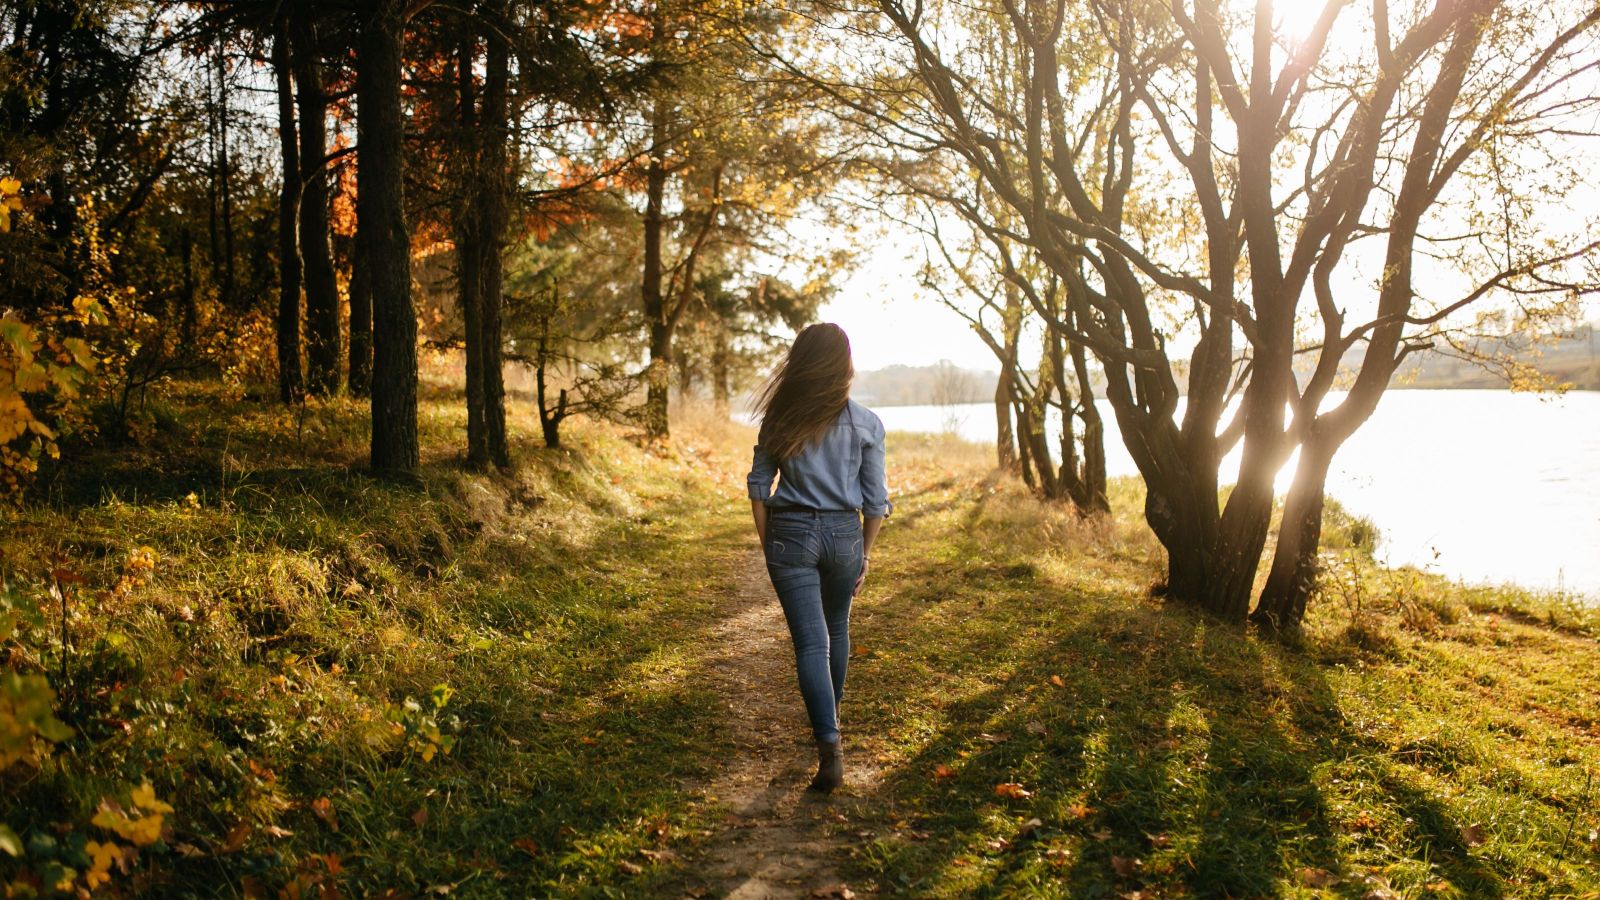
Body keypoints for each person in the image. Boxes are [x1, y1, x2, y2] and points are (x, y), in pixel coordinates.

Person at [746, 323, 891, 794]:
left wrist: (771, 544)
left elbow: (758, 488)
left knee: (811, 643)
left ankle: (829, 745)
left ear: (800, 364)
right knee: (837, 629)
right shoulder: (867, 423)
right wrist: (864, 553)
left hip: (790, 533)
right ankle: (831, 720)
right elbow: (875, 502)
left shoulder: (779, 421)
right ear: (844, 365)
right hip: (844, 536)